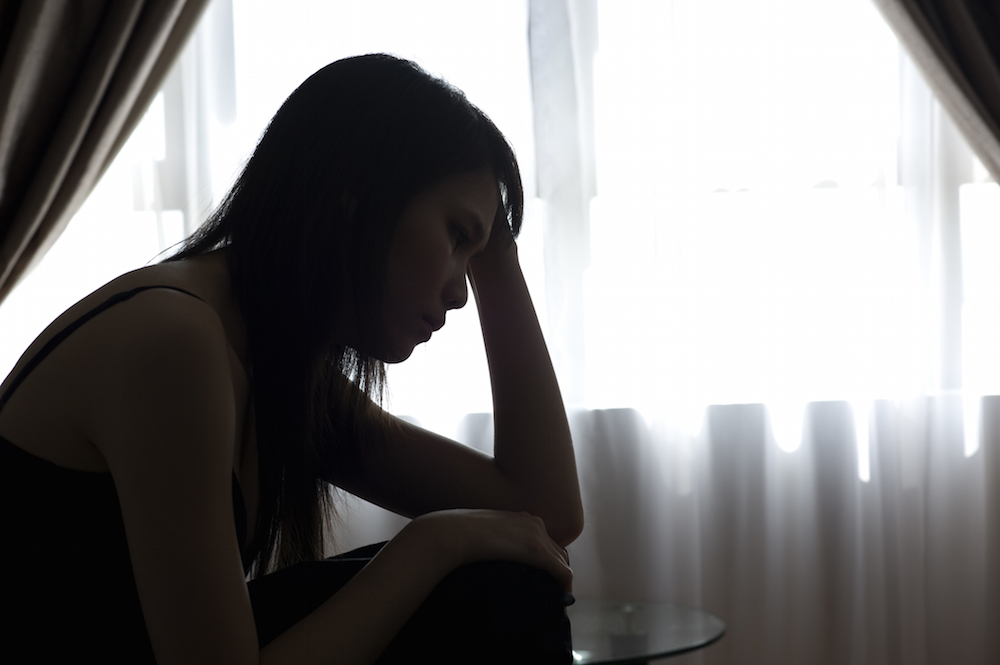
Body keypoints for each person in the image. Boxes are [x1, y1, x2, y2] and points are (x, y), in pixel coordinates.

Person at [0, 54, 583, 663]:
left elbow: (544, 511)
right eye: (456, 238)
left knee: (510, 569)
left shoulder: (275, 364)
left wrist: (497, 246)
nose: (462, 293)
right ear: (355, 197)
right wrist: (430, 544)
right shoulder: (172, 341)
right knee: (490, 584)